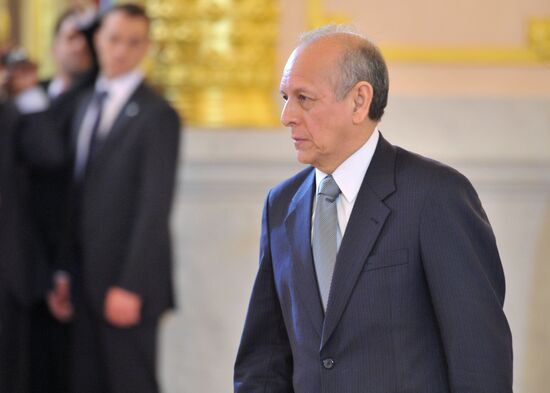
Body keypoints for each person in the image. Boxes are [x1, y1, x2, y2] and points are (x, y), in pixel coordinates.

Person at [234, 25, 513, 393]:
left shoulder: (435, 195)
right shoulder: (281, 205)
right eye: (285, 96)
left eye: (304, 98)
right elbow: (265, 358)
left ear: (359, 101)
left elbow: (479, 360)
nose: (287, 115)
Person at [46, 4, 181, 393]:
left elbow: (154, 206)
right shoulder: (84, 103)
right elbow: (76, 196)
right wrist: (63, 271)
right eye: (114, 39)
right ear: (98, 40)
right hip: (82, 281)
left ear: (145, 47)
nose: (121, 50)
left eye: (133, 42)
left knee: (131, 383)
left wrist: (131, 285)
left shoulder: (158, 114)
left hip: (126, 287)